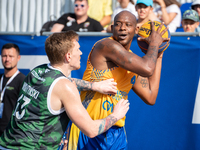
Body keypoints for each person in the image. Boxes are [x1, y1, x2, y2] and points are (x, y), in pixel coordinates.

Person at [0, 31, 130, 150]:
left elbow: (66, 83)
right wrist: (116, 115)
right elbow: (91, 130)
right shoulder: (65, 88)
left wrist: (95, 86)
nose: (81, 53)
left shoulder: (37, 71)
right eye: (78, 49)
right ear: (68, 56)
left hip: (6, 143)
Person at [64, 11, 170, 150]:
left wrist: (159, 55)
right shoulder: (107, 45)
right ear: (112, 28)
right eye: (118, 24)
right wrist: (155, 44)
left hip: (115, 132)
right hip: (88, 128)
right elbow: (148, 68)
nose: (122, 28)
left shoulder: (132, 62)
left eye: (128, 25)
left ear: (136, 30)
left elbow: (150, 97)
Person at [0, 43, 25, 136]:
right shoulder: (0, 78)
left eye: (11, 56)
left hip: (12, 134)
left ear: (18, 58)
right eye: (4, 56)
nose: (7, 59)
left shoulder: (22, 81)